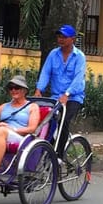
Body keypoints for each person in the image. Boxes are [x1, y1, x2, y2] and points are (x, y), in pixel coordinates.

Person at [35, 24, 86, 156]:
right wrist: (39, 89)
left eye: (64, 37)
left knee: (63, 121)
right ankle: (47, 149)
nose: (60, 39)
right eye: (59, 36)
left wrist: (67, 94)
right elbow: (46, 72)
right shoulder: (53, 54)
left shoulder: (79, 57)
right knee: (45, 120)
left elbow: (78, 78)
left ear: (72, 39)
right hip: (56, 96)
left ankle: (58, 156)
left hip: (74, 97)